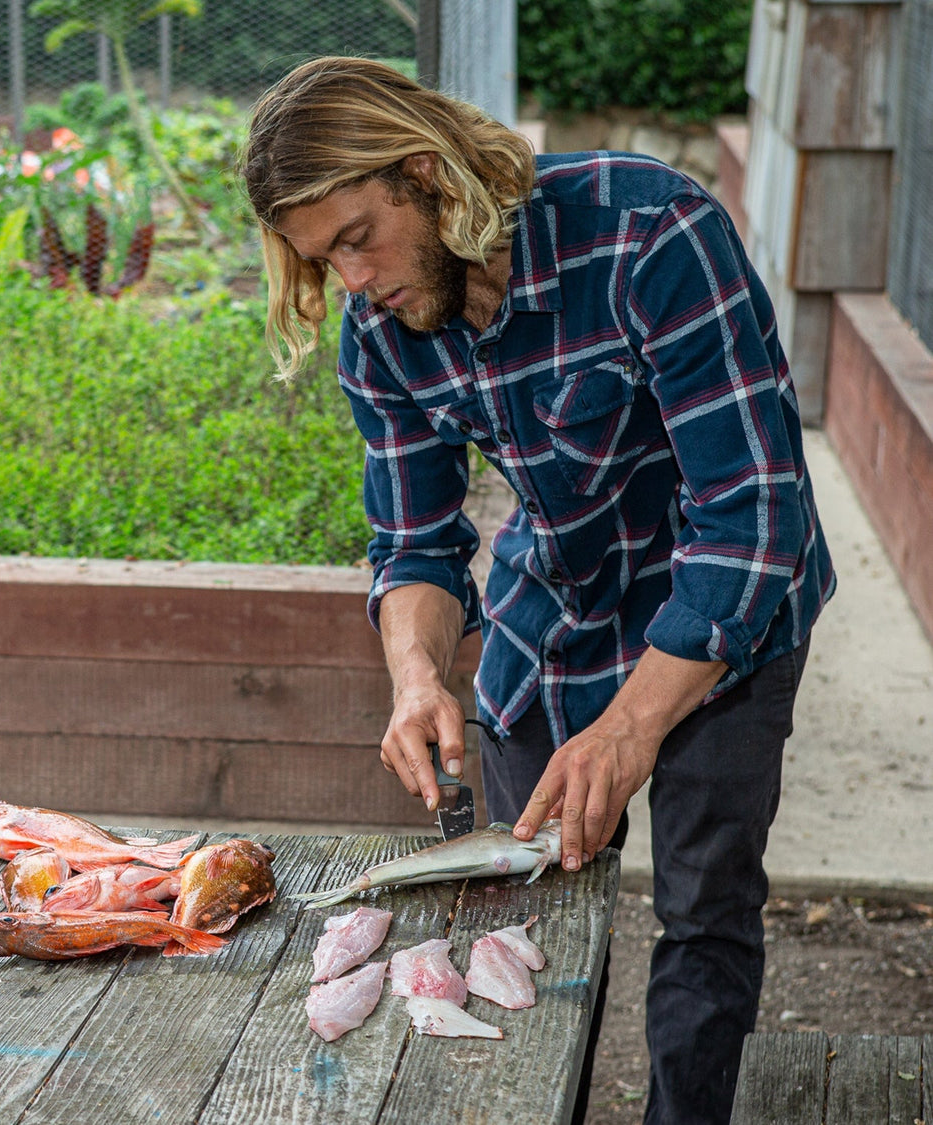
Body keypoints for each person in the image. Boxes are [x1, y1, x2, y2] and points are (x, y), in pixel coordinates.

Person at [241, 57, 835, 1124]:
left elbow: (753, 522)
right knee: (510, 918)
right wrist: (418, 675)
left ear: (425, 173)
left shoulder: (651, 236)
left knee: (703, 908)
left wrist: (631, 728)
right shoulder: (380, 329)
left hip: (724, 609)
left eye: (357, 238)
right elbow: (416, 542)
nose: (351, 282)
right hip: (558, 601)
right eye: (320, 260)